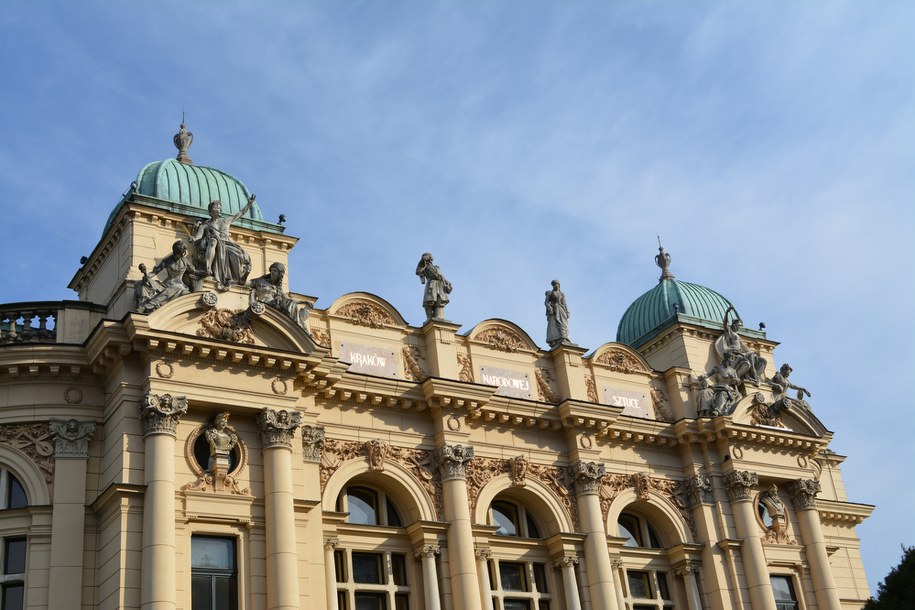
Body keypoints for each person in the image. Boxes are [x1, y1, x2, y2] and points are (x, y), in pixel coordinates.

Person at [189, 195, 256, 290]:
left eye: (220, 209)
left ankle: (237, 278)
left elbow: (240, 213)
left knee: (238, 255)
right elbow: (197, 237)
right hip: (214, 243)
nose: (220, 210)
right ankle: (208, 269)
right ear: (211, 211)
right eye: (218, 208)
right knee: (213, 241)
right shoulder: (205, 225)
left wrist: (249, 204)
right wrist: (192, 238)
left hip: (227, 245)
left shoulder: (226, 221)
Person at [249, 262, 312, 330]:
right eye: (272, 270)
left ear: (279, 274)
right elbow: (246, 283)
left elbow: (288, 299)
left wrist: (304, 302)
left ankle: (297, 326)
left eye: (275, 271)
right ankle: (298, 324)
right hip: (264, 305)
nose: (272, 273)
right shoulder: (260, 281)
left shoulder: (278, 288)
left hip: (274, 306)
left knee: (292, 304)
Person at [714, 306, 767, 385]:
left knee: (763, 361)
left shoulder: (738, 336)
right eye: (738, 325)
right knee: (749, 360)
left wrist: (753, 352)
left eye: (740, 325)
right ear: (734, 324)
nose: (739, 327)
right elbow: (725, 323)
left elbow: (744, 347)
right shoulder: (729, 332)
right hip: (734, 353)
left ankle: (755, 376)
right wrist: (727, 312)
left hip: (742, 353)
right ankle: (753, 373)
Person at [136, 240, 191, 313]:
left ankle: (146, 306)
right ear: (175, 252)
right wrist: (147, 276)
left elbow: (194, 271)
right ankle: (145, 306)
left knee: (177, 287)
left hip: (179, 285)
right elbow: (154, 272)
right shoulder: (167, 260)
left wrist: (206, 272)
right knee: (142, 283)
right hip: (165, 284)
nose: (179, 255)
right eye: (178, 253)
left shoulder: (185, 261)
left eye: (181, 254)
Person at [696, 351, 743, 416]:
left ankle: (717, 411)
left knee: (723, 393)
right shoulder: (719, 368)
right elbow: (708, 374)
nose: (733, 361)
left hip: (728, 389)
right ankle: (705, 411)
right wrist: (702, 377)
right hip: (718, 387)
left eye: (734, 359)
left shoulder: (733, 371)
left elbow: (738, 383)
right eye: (732, 358)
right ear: (727, 358)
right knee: (704, 392)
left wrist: (735, 379)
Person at [415, 252, 451, 321]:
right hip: (431, 283)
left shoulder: (437, 267)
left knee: (440, 301)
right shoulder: (424, 266)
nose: (431, 258)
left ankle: (439, 317)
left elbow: (442, 276)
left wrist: (447, 283)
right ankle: (429, 317)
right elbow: (418, 271)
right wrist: (422, 260)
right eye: (429, 256)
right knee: (429, 301)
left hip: (440, 284)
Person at [545, 279, 570, 348]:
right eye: (554, 284)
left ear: (559, 285)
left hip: (561, 310)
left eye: (556, 284)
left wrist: (567, 312)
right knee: (556, 323)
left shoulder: (562, 294)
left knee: (564, 324)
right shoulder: (550, 293)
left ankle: (565, 337)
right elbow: (546, 302)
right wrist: (549, 307)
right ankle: (559, 338)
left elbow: (564, 304)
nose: (555, 285)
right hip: (554, 309)